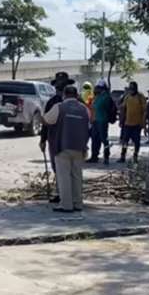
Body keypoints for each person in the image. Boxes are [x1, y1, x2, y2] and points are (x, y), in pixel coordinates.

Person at [43, 86, 91, 214]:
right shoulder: (84, 109)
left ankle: (66, 205)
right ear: (76, 95)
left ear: (64, 95)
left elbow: (46, 120)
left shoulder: (59, 107)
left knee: (64, 176)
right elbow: (89, 125)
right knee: (77, 176)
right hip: (80, 147)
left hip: (62, 147)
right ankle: (78, 203)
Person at [118, 81, 147, 164]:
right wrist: (121, 120)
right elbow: (123, 108)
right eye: (130, 87)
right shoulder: (127, 97)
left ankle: (135, 156)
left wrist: (143, 122)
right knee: (125, 141)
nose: (131, 89)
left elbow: (145, 110)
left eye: (132, 87)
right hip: (127, 123)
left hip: (137, 124)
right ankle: (123, 156)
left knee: (136, 142)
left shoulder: (140, 97)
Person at [87, 80, 113, 165]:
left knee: (104, 139)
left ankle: (106, 156)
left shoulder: (106, 97)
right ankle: (94, 156)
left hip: (102, 121)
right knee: (95, 139)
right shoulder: (97, 96)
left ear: (102, 88)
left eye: (97, 87)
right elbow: (93, 107)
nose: (96, 89)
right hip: (95, 121)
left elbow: (106, 108)